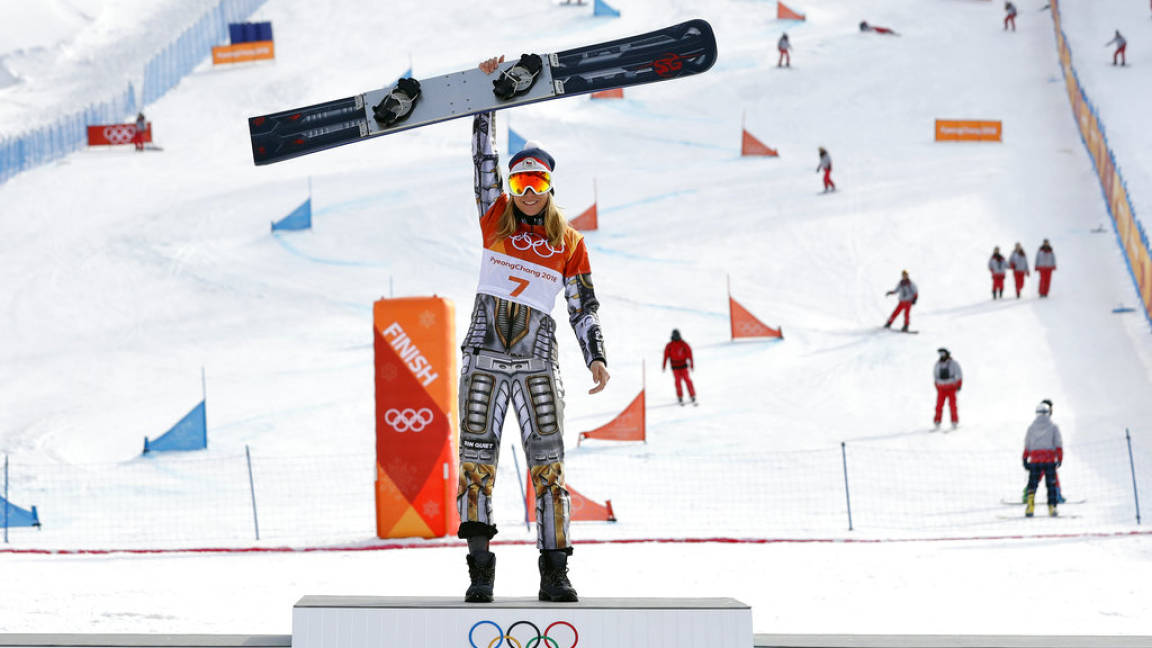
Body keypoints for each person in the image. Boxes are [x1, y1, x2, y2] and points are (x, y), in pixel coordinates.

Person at [457, 56, 610, 605]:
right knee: (476, 467)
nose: (526, 191)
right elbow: (481, 160)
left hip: (536, 365)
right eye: (519, 180)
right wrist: (483, 97)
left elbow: (582, 303)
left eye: (536, 181)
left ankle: (555, 571)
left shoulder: (567, 241)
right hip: (484, 360)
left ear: (549, 186)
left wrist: (596, 355)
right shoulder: (494, 216)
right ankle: (480, 570)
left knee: (549, 470)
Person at [1022, 399, 1063, 517]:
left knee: (1032, 483)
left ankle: (1030, 506)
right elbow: (1058, 443)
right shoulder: (1053, 427)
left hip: (1035, 460)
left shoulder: (1031, 427)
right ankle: (1052, 507)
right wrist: (1059, 458)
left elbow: (1027, 443)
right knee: (1051, 484)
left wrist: (1025, 458)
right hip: (1049, 459)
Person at [662, 329, 696, 406]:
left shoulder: (683, 344)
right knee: (678, 381)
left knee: (687, 380)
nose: (677, 337)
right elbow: (666, 355)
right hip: (675, 367)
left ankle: (692, 395)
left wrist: (691, 364)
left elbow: (689, 353)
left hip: (683, 366)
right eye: (675, 336)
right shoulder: (669, 345)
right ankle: (680, 396)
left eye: (678, 336)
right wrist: (664, 365)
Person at [932, 348, 962, 429]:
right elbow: (935, 376)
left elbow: (959, 374)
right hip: (941, 389)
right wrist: (937, 386)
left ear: (947, 354)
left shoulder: (953, 363)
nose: (942, 356)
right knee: (939, 405)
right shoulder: (937, 364)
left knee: (952, 405)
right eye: (940, 354)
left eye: (943, 354)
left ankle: (954, 422)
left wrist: (958, 385)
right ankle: (937, 422)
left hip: (951, 387)